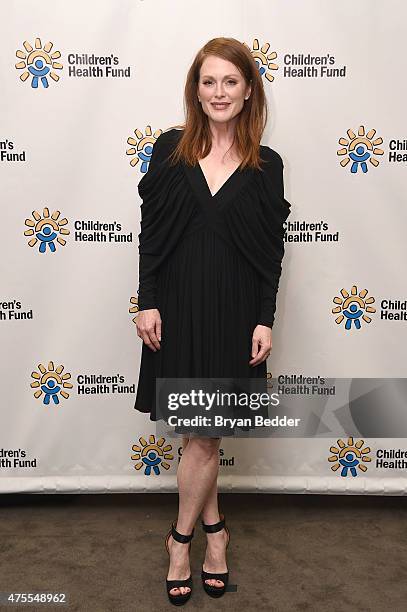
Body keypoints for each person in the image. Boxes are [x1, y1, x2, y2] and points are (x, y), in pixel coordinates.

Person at [134, 37, 291, 605]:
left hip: (232, 315)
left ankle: (193, 537)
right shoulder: (168, 149)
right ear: (195, 90)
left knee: (204, 435)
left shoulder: (265, 165)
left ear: (249, 90)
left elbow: (271, 253)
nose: (219, 92)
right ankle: (204, 535)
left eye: (230, 82)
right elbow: (151, 235)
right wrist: (146, 299)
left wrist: (264, 319)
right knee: (200, 436)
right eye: (209, 82)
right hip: (178, 310)